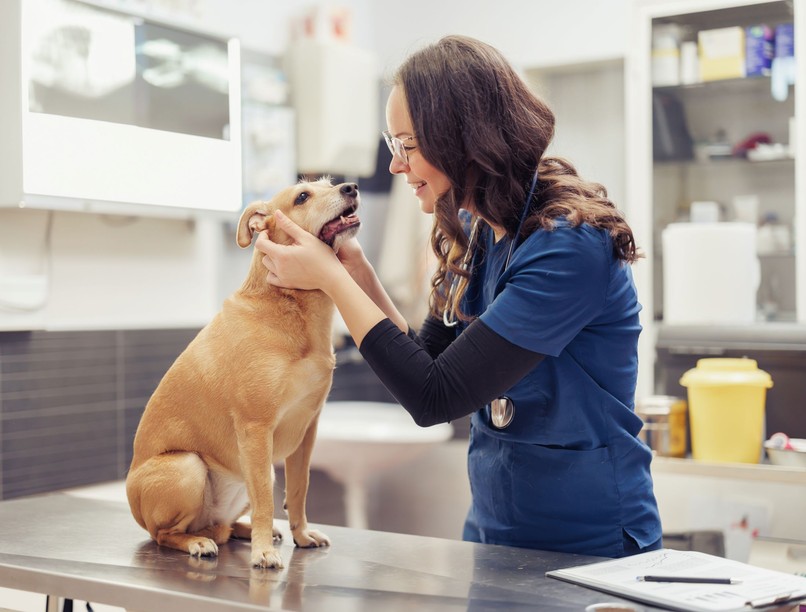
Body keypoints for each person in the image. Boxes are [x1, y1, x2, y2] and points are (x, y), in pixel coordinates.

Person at [255, 35, 662, 558]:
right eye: (392, 145)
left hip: (592, 544)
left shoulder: (569, 246)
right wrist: (355, 270)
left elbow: (436, 397)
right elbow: (425, 362)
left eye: (408, 146)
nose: (397, 166)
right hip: (494, 532)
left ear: (462, 139)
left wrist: (329, 281)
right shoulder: (477, 232)